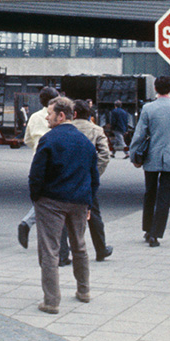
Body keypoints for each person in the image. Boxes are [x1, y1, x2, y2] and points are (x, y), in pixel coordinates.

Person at [29, 96, 97, 314]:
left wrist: (36, 197)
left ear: (61, 115)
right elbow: (94, 176)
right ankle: (84, 290)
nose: (47, 117)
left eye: (49, 113)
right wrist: (89, 203)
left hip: (51, 201)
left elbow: (36, 174)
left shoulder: (49, 140)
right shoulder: (86, 142)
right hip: (79, 200)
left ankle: (51, 301)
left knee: (50, 250)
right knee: (79, 245)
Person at [131, 76, 170, 247]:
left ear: (155, 89)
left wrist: (135, 155)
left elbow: (139, 134)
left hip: (151, 156)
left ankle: (147, 228)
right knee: (165, 196)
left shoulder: (148, 109)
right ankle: (156, 233)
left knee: (150, 192)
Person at [58, 99, 112, 263]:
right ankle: (101, 249)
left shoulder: (64, 129)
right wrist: (94, 173)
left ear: (73, 113)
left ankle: (62, 254)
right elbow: (105, 155)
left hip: (66, 178)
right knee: (94, 214)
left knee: (63, 216)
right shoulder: (96, 130)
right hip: (86, 180)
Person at [16, 86, 59, 249]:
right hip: (55, 161)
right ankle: (31, 224)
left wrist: (36, 146)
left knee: (42, 197)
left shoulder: (34, 117)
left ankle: (28, 222)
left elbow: (27, 139)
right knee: (54, 200)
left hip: (37, 161)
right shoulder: (58, 117)